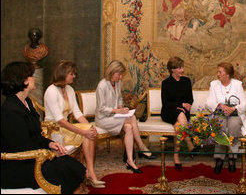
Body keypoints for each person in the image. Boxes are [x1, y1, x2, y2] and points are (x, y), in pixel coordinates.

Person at [1, 61, 85, 194]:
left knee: (72, 164)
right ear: (23, 81)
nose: (34, 78)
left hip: (33, 157)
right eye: (31, 75)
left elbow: (35, 136)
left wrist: (51, 144)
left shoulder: (26, 101)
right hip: (17, 165)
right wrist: (48, 154)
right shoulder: (10, 110)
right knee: (64, 169)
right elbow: (21, 146)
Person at [44, 60, 104, 188]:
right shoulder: (51, 91)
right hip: (53, 130)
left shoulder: (69, 89)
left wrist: (90, 128)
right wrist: (83, 131)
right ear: (63, 74)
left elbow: (77, 113)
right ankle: (90, 173)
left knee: (89, 132)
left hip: (64, 127)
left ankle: (89, 172)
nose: (74, 76)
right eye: (71, 74)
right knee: (86, 133)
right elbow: (59, 120)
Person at [95, 60, 154, 174]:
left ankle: (130, 161)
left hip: (115, 116)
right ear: (112, 72)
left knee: (128, 127)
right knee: (131, 118)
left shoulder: (117, 82)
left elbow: (119, 98)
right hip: (103, 119)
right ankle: (141, 147)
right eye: (119, 74)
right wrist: (118, 111)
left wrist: (122, 108)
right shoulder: (102, 86)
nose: (121, 77)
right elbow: (101, 108)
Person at [206, 62, 246, 174]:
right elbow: (209, 102)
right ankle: (219, 158)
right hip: (219, 113)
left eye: (220, 72)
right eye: (218, 71)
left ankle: (232, 157)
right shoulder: (214, 84)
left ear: (228, 74)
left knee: (234, 126)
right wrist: (220, 106)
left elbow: (244, 104)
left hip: (234, 113)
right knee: (220, 125)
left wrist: (234, 108)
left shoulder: (237, 85)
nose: (218, 74)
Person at [161, 57, 195, 171]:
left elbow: (190, 99)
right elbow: (166, 103)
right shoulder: (166, 83)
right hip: (168, 111)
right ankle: (189, 141)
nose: (182, 70)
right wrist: (181, 104)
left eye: (182, 67)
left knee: (178, 127)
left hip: (184, 113)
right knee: (180, 114)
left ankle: (176, 156)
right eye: (179, 68)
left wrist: (188, 105)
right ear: (172, 69)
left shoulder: (186, 81)